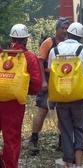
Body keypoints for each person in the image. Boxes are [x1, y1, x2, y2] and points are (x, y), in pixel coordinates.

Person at [48, 22, 83, 168]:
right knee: (79, 130)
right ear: (80, 37)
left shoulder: (55, 50)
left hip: (60, 97)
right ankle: (79, 165)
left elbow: (52, 72)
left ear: (67, 34)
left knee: (66, 131)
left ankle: (69, 165)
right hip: (79, 97)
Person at [0, 24, 42, 167]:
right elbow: (36, 84)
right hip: (14, 104)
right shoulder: (29, 57)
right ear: (26, 39)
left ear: (11, 37)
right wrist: (21, 89)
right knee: (11, 138)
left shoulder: (2, 54)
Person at [29, 17, 69, 154]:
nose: (64, 31)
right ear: (56, 29)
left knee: (62, 111)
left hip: (63, 80)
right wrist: (43, 81)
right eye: (62, 28)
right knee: (42, 110)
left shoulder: (68, 43)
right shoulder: (48, 42)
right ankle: (33, 140)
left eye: (66, 28)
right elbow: (40, 62)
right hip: (48, 78)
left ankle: (62, 141)